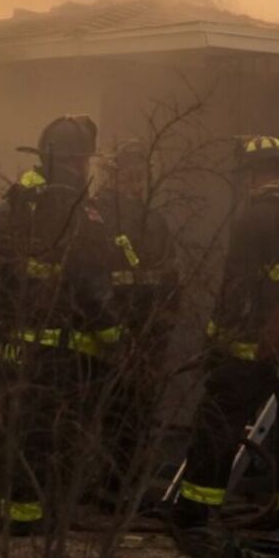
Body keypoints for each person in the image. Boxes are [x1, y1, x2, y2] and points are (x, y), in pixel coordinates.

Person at [172, 135, 279, 535]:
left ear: (259, 174)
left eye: (250, 174)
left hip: (258, 344)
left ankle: (195, 512)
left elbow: (237, 285)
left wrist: (216, 335)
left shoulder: (254, 216)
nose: (247, 182)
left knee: (219, 418)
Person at [0, 114, 119, 535]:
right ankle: (28, 519)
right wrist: (112, 333)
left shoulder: (17, 195)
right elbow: (90, 277)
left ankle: (5, 504)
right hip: (52, 344)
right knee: (43, 432)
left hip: (7, 338)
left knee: (10, 420)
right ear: (78, 159)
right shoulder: (72, 204)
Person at [94, 138, 178, 499]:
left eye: (139, 175)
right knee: (118, 411)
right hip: (115, 329)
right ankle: (113, 487)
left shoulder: (148, 219)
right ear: (114, 176)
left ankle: (114, 487)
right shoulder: (97, 215)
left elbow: (171, 276)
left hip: (126, 331)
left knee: (125, 412)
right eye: (129, 175)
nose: (135, 183)